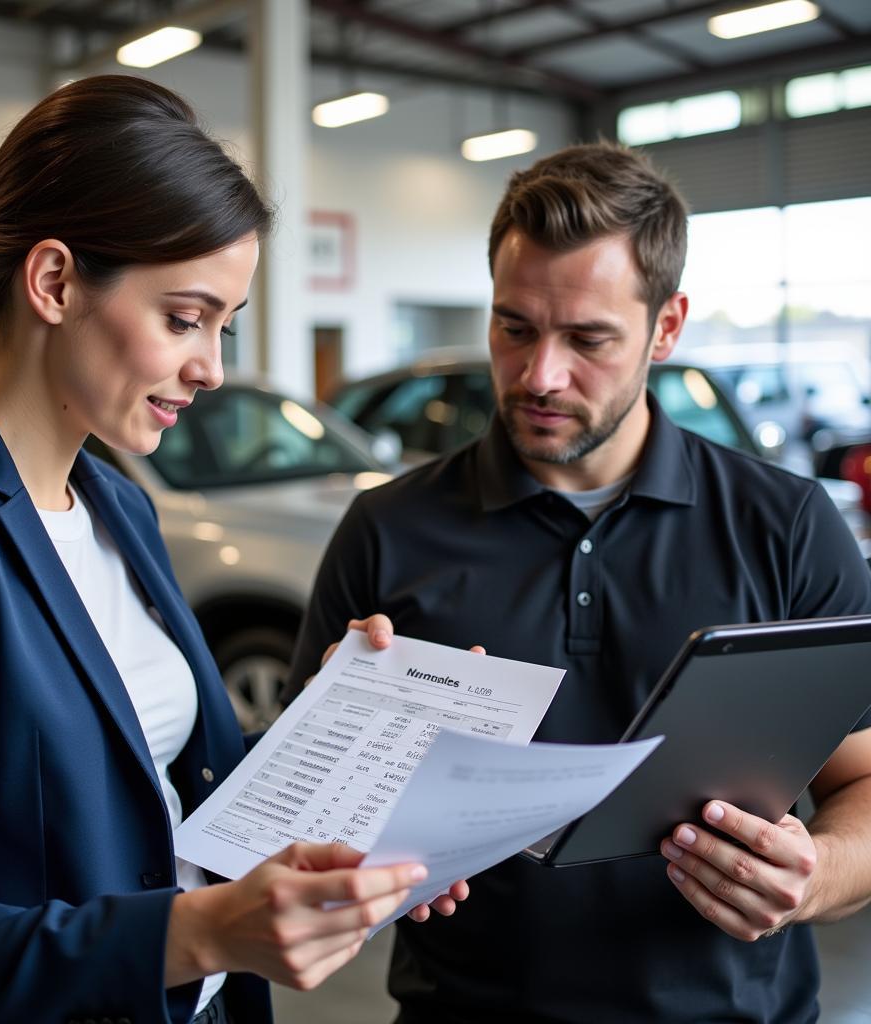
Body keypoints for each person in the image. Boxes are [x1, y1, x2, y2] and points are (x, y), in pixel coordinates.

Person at [0, 75, 442, 1024]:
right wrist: (203, 931)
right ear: (53, 282)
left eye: (222, 327)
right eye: (184, 318)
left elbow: (159, 782)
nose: (210, 366)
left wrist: (336, 734)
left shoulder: (119, 505)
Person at [288, 141, 871, 1023]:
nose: (539, 375)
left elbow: (864, 780)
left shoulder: (784, 525)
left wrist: (815, 876)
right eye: (514, 327)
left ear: (666, 327)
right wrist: (346, 752)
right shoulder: (388, 528)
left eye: (588, 339)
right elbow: (303, 834)